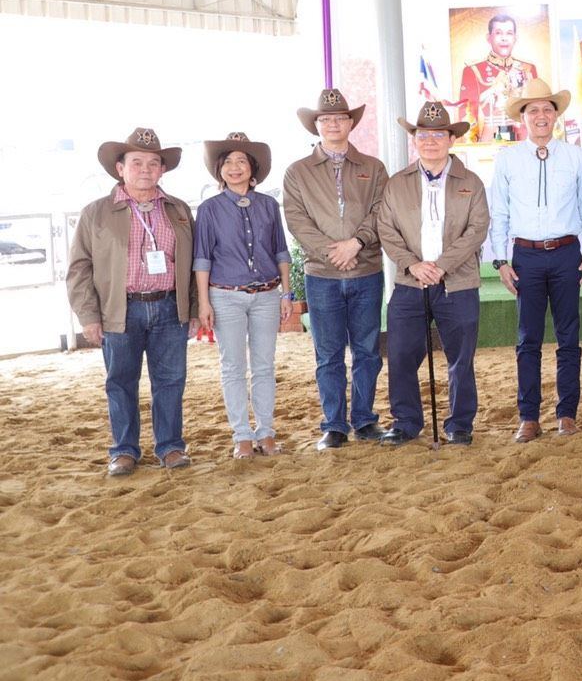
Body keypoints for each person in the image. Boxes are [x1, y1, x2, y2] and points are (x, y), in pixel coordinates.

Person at [67, 128, 196, 476]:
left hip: (170, 308)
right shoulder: (96, 213)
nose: (145, 169)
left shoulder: (179, 210)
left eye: (153, 163)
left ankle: (170, 446)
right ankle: (124, 450)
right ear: (120, 168)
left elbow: (194, 263)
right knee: (121, 382)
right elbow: (79, 268)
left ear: (162, 170)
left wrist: (194, 309)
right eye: (136, 162)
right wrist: (88, 316)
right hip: (119, 310)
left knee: (170, 381)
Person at [488, 78, 582, 442]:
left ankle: (567, 415)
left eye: (547, 109)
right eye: (533, 109)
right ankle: (529, 417)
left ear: (555, 115)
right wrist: (501, 261)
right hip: (526, 257)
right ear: (522, 117)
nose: (540, 115)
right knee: (528, 339)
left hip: (567, 253)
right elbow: (499, 213)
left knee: (569, 338)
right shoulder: (508, 158)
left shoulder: (574, 156)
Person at [376, 103, 490, 446]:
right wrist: (413, 264)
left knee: (461, 357)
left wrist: (442, 265)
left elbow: (477, 229)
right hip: (409, 282)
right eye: (423, 135)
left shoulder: (471, 182)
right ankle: (406, 421)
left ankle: (460, 423)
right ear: (414, 140)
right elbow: (386, 229)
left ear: (451, 140)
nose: (430, 142)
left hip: (458, 282)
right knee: (400, 354)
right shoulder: (397, 184)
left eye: (438, 135)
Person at [282, 88, 390, 451]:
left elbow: (381, 210)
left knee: (367, 351)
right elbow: (297, 220)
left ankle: (365, 419)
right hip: (322, 276)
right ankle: (334, 424)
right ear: (316, 125)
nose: (332, 124)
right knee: (327, 355)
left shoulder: (373, 168)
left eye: (339, 118)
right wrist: (335, 253)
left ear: (350, 123)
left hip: (366, 271)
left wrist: (356, 243)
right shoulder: (298, 172)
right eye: (325, 119)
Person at [194, 132, 291, 459]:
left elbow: (280, 251)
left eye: (241, 161)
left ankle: (266, 432)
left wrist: (286, 293)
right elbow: (202, 258)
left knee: (264, 366)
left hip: (267, 295)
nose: (234, 167)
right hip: (225, 296)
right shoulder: (209, 209)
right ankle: (242, 436)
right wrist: (204, 301)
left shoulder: (269, 205)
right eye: (228, 162)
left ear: (253, 168)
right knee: (233, 367)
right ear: (219, 170)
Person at [457, 13, 538, 142]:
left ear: (515, 38)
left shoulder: (528, 69)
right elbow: (467, 116)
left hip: (524, 142)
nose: (504, 38)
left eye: (509, 33)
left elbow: (536, 111)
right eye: (498, 33)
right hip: (488, 142)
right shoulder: (473, 70)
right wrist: (474, 147)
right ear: (489, 38)